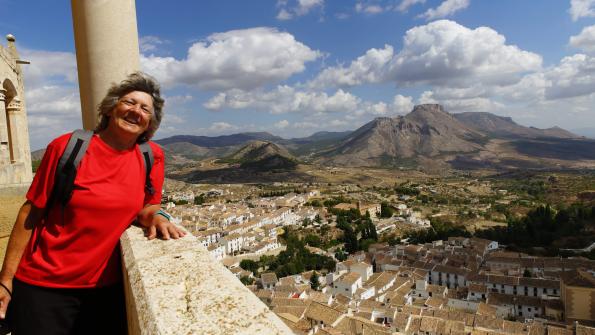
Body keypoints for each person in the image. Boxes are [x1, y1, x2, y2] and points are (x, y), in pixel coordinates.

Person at [0, 72, 185, 334]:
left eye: (145, 108)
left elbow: (148, 205)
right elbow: (30, 213)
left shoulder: (151, 156)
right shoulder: (66, 148)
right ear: (111, 108)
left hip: (105, 291)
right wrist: (6, 279)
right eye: (129, 103)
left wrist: (158, 217)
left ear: (150, 123)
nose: (136, 111)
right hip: (44, 287)